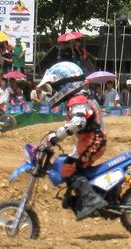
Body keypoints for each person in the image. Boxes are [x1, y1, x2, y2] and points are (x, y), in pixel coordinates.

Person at [38, 61, 108, 221]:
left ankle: (92, 200)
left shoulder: (77, 99)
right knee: (68, 165)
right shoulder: (79, 97)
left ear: (65, 84)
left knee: (68, 167)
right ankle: (81, 198)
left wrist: (56, 137)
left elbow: (78, 122)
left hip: (93, 141)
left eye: (54, 87)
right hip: (89, 140)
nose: (53, 92)